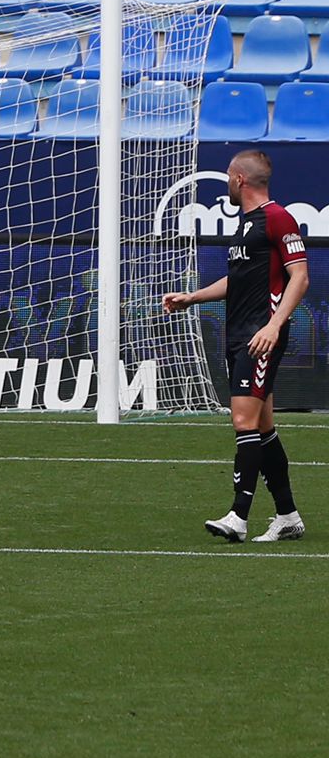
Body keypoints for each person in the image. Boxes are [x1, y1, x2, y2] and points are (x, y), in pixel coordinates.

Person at [162, 148, 308, 542]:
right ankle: (288, 516)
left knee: (243, 422)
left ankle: (237, 517)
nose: (226, 182)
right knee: (262, 427)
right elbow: (238, 282)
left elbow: (300, 277)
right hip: (241, 333)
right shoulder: (245, 225)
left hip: (260, 336)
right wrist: (192, 297)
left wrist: (274, 326)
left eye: (229, 176)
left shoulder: (278, 218)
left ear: (239, 180)